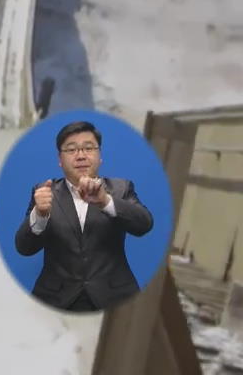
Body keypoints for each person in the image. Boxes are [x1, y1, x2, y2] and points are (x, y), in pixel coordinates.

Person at [14, 120, 155, 312]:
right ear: (59, 160)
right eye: (71, 150)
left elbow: (144, 224)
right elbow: (24, 248)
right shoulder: (44, 192)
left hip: (114, 298)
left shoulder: (121, 188)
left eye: (88, 148)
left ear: (100, 156)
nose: (80, 156)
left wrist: (105, 201)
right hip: (56, 300)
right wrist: (39, 214)